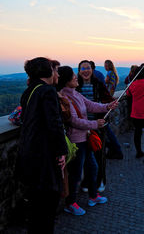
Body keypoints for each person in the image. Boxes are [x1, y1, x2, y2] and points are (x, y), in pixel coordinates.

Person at [57, 66, 118, 216]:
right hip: (76, 141)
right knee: (76, 174)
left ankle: (93, 196)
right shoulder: (64, 98)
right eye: (73, 76)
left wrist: (107, 106)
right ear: (66, 81)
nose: (76, 77)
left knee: (93, 168)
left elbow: (91, 105)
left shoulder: (76, 94)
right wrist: (94, 124)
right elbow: (73, 121)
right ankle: (70, 203)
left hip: (85, 138)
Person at [16, 57, 68, 234]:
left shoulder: (29, 91)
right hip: (43, 158)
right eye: (55, 71)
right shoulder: (47, 91)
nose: (58, 74)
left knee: (35, 208)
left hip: (28, 155)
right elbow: (54, 124)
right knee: (46, 208)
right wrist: (62, 152)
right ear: (48, 72)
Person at [76, 60, 123, 193]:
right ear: (79, 71)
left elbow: (107, 98)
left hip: (98, 125)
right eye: (83, 68)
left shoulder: (98, 84)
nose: (85, 70)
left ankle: (100, 180)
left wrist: (109, 104)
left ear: (92, 69)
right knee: (85, 157)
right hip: (82, 126)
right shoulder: (76, 86)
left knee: (98, 155)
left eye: (88, 68)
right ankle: (87, 181)